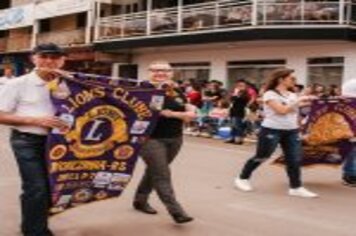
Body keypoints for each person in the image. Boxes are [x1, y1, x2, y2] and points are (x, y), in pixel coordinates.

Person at [0, 43, 69, 236]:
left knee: (51, 186)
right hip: (27, 141)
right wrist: (36, 120)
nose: (49, 61)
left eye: (55, 57)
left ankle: (34, 223)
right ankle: (35, 231)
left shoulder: (68, 83)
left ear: (63, 60)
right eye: (44, 56)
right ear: (34, 58)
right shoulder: (16, 84)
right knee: (36, 187)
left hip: (59, 143)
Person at [234, 68, 318, 198]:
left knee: (294, 160)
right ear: (281, 79)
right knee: (262, 156)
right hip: (272, 129)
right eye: (291, 78)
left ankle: (296, 187)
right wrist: (298, 100)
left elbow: (294, 110)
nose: (294, 81)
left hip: (291, 130)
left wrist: (313, 102)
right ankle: (242, 178)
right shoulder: (270, 94)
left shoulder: (291, 95)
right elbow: (282, 110)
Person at [133, 61, 196, 224]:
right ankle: (176, 211)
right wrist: (178, 115)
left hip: (175, 137)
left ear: (171, 73)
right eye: (156, 70)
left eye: (164, 70)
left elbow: (184, 103)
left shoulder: (174, 89)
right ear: (149, 72)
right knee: (162, 174)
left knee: (154, 171)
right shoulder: (144, 89)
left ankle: (140, 200)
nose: (160, 73)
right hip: (150, 139)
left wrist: (191, 110)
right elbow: (153, 112)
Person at [225, 79, 251, 144]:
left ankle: (239, 138)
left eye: (242, 86)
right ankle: (232, 137)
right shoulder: (235, 93)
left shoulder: (246, 94)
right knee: (232, 125)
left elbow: (242, 100)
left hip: (240, 111)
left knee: (238, 125)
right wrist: (235, 94)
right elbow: (231, 99)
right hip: (233, 110)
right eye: (238, 85)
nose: (239, 87)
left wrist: (236, 95)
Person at [341, 78, 356, 187]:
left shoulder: (350, 82)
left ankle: (350, 173)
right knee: (352, 149)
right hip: (351, 120)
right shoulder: (352, 83)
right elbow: (348, 100)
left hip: (350, 119)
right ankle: (350, 174)